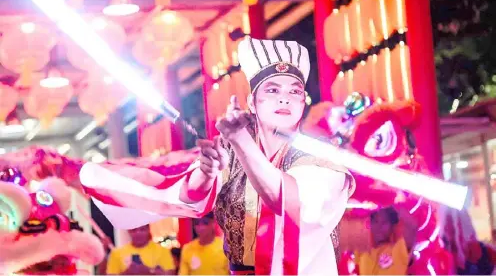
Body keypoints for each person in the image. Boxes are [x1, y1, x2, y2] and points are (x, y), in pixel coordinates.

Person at [80, 37, 355, 275]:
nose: (284, 99)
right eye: (272, 90)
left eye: (294, 92)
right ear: (252, 102)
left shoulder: (323, 159)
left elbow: (289, 201)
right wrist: (206, 171)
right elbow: (192, 199)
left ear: (302, 101)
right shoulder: (235, 153)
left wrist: (239, 141)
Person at [356, 206, 417, 275]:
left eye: (384, 222)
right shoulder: (362, 250)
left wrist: (393, 202)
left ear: (392, 226)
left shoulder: (398, 249)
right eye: (376, 221)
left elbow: (412, 226)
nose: (379, 226)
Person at [106, 224, 176, 275]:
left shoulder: (162, 251)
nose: (138, 233)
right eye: (134, 230)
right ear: (129, 231)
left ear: (148, 229)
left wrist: (149, 272)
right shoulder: (117, 253)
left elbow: (170, 273)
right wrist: (127, 273)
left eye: (142, 229)